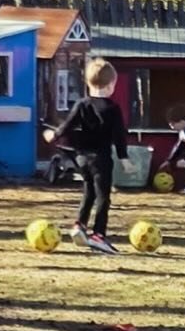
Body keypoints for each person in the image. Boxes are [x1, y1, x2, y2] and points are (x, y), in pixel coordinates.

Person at [43, 57, 130, 254]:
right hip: (101, 159)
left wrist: (54, 135)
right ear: (111, 85)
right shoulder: (113, 109)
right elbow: (119, 136)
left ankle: (79, 226)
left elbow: (67, 125)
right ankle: (99, 235)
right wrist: (124, 159)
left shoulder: (82, 104)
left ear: (88, 83)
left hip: (81, 158)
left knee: (88, 192)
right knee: (103, 197)